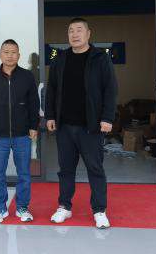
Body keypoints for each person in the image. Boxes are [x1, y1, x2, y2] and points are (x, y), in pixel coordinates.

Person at [45, 18, 117, 229]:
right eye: (71, 31)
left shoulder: (100, 58)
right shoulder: (60, 59)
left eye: (79, 30)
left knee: (95, 168)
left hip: (91, 127)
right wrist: (50, 116)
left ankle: (99, 210)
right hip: (65, 126)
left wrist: (107, 118)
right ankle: (64, 207)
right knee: (65, 169)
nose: (74, 34)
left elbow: (110, 89)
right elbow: (51, 90)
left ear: (88, 34)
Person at [0, 39, 40, 223]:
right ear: (0, 54)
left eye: (13, 52)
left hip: (22, 134)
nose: (10, 55)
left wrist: (34, 126)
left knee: (24, 173)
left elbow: (34, 103)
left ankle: (23, 207)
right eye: (6, 52)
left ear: (19, 55)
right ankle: (1, 208)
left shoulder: (27, 76)